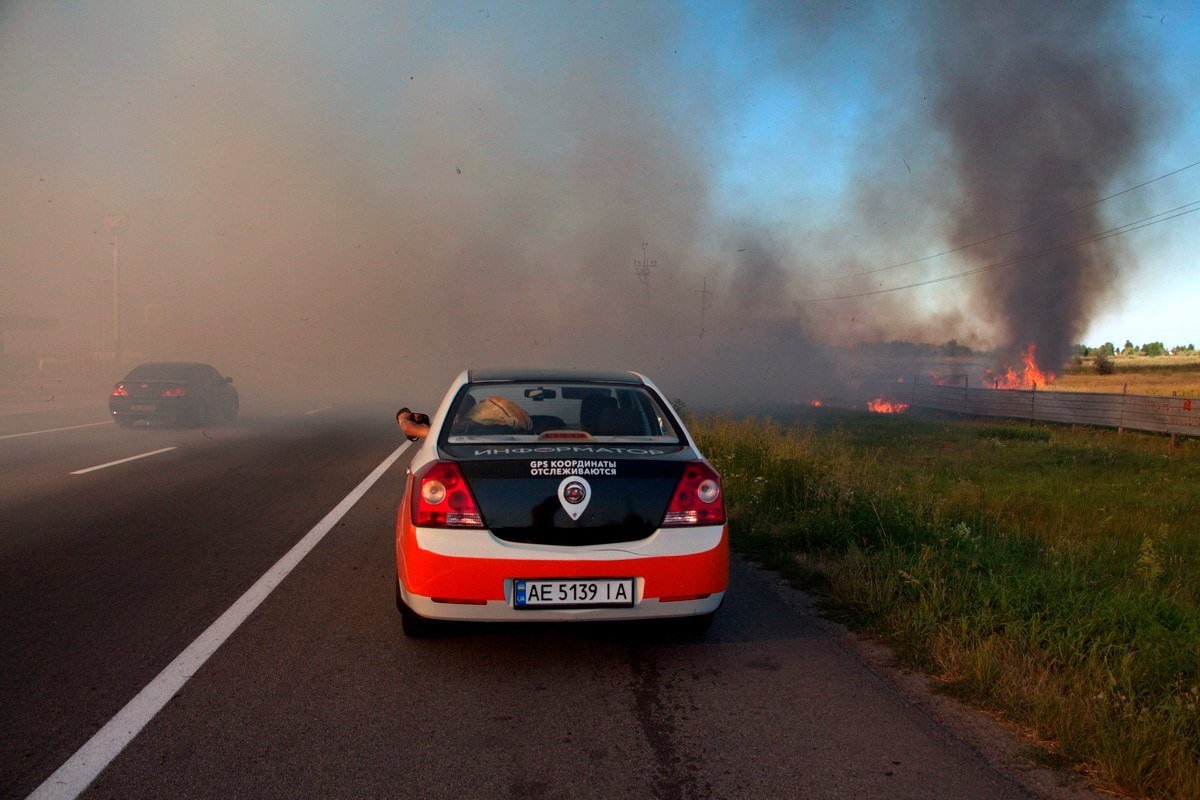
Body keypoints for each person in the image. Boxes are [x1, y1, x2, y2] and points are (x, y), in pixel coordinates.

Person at [396, 395, 532, 440]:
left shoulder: (441, 419)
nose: (417, 415)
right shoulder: (439, 432)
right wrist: (403, 418)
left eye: (413, 413)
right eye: (413, 418)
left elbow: (468, 399)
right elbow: (408, 428)